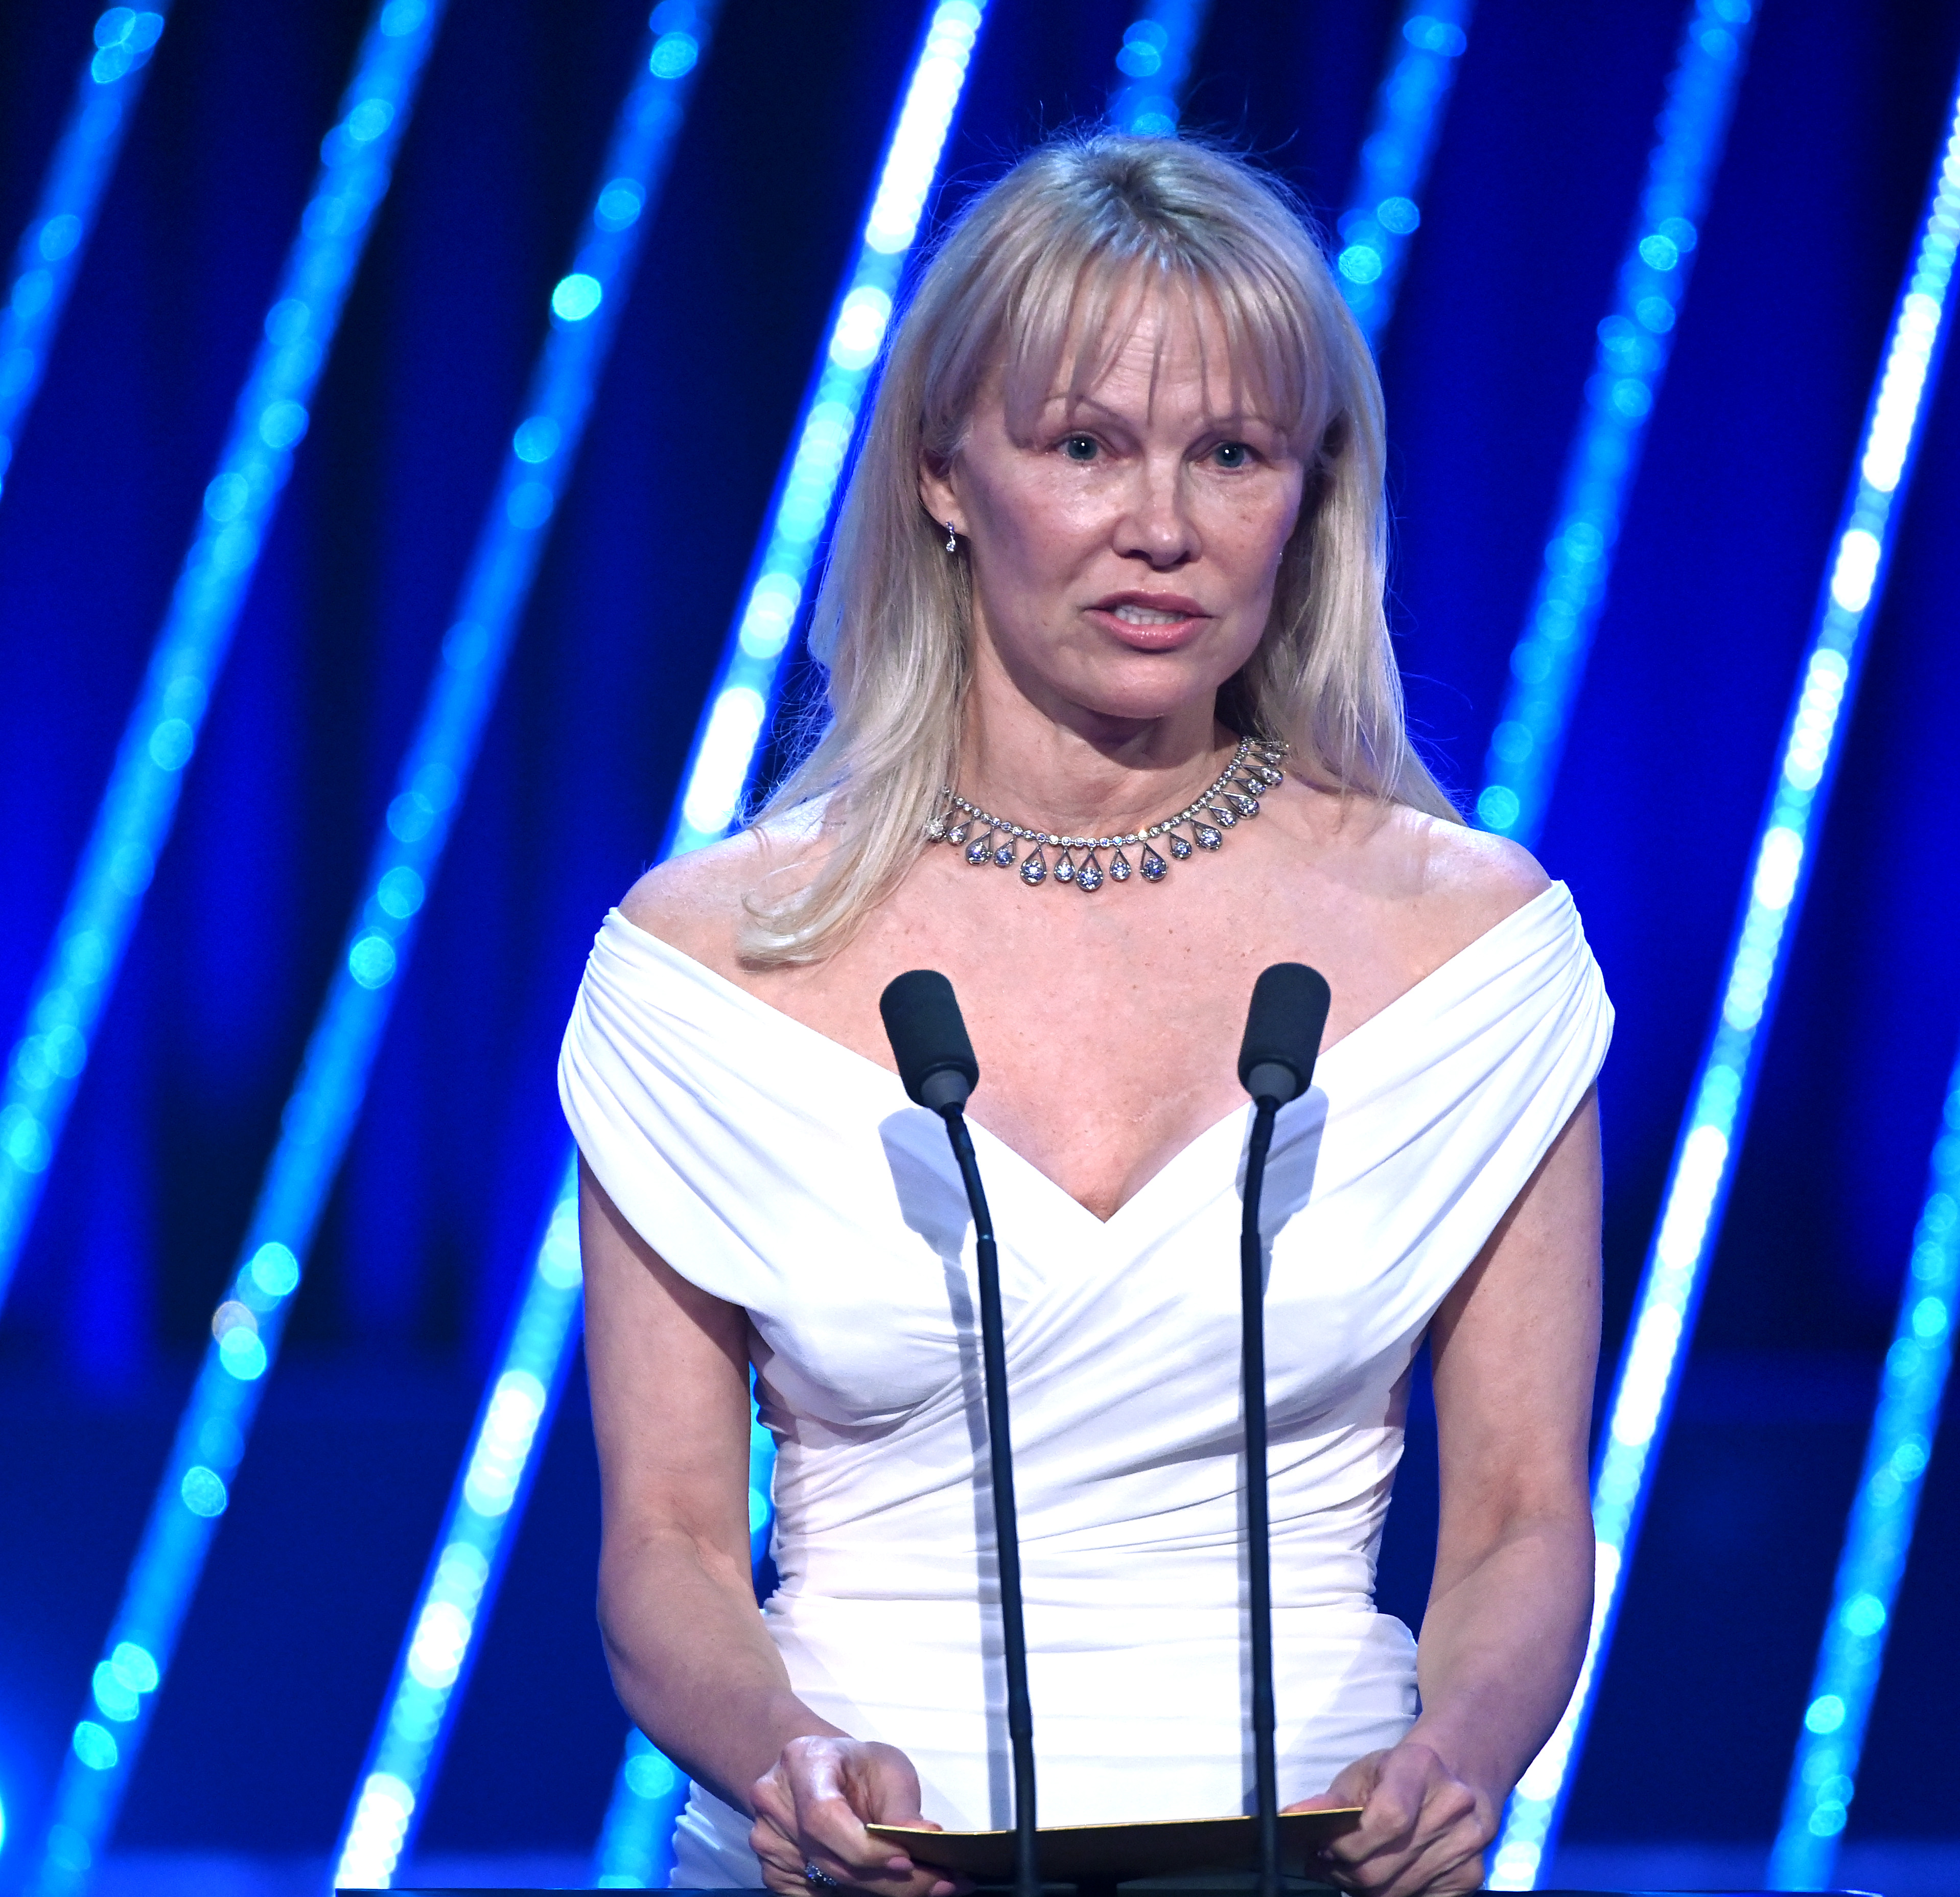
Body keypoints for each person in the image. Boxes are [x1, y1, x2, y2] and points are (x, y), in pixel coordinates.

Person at [562, 132, 1611, 1897]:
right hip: (869, 1862)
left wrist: (1461, 1755)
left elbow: (1521, 1514)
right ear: (944, 476)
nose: (1162, 526)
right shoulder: (703, 967)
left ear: (1310, 491)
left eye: (1232, 453)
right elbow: (663, 1549)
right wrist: (784, 1763)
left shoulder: (1476, 954)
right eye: (1084, 447)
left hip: (1317, 1858)